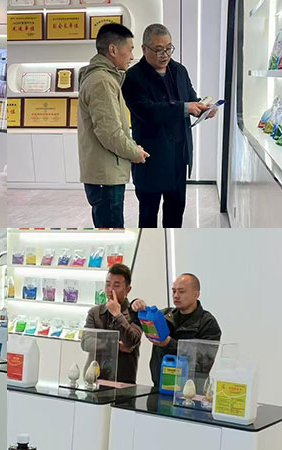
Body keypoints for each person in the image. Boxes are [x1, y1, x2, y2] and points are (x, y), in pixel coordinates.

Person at [122, 24, 217, 228]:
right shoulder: (133, 77)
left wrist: (203, 108)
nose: (165, 54)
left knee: (175, 214)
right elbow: (147, 111)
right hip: (151, 158)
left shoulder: (179, 70)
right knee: (148, 217)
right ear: (144, 48)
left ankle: (172, 246)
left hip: (179, 157)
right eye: (158, 50)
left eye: (168, 48)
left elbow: (191, 98)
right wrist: (184, 108)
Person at [77, 23, 149, 228]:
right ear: (113, 49)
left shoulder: (103, 78)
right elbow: (109, 132)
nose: (132, 56)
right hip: (106, 176)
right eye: (130, 49)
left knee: (108, 229)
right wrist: (135, 152)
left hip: (106, 173)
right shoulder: (102, 81)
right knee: (111, 234)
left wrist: (132, 147)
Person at [131, 273, 222, 388]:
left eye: (181, 291)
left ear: (196, 294)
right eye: (174, 291)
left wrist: (169, 344)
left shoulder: (208, 323)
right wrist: (135, 306)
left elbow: (203, 361)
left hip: (190, 390)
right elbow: (136, 321)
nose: (176, 296)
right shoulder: (164, 315)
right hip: (159, 386)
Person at [82, 263, 143, 384]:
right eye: (107, 284)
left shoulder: (135, 313)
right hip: (95, 378)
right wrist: (115, 344)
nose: (110, 290)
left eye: (116, 285)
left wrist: (117, 315)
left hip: (123, 380)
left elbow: (132, 341)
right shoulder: (95, 312)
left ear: (128, 289)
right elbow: (86, 342)